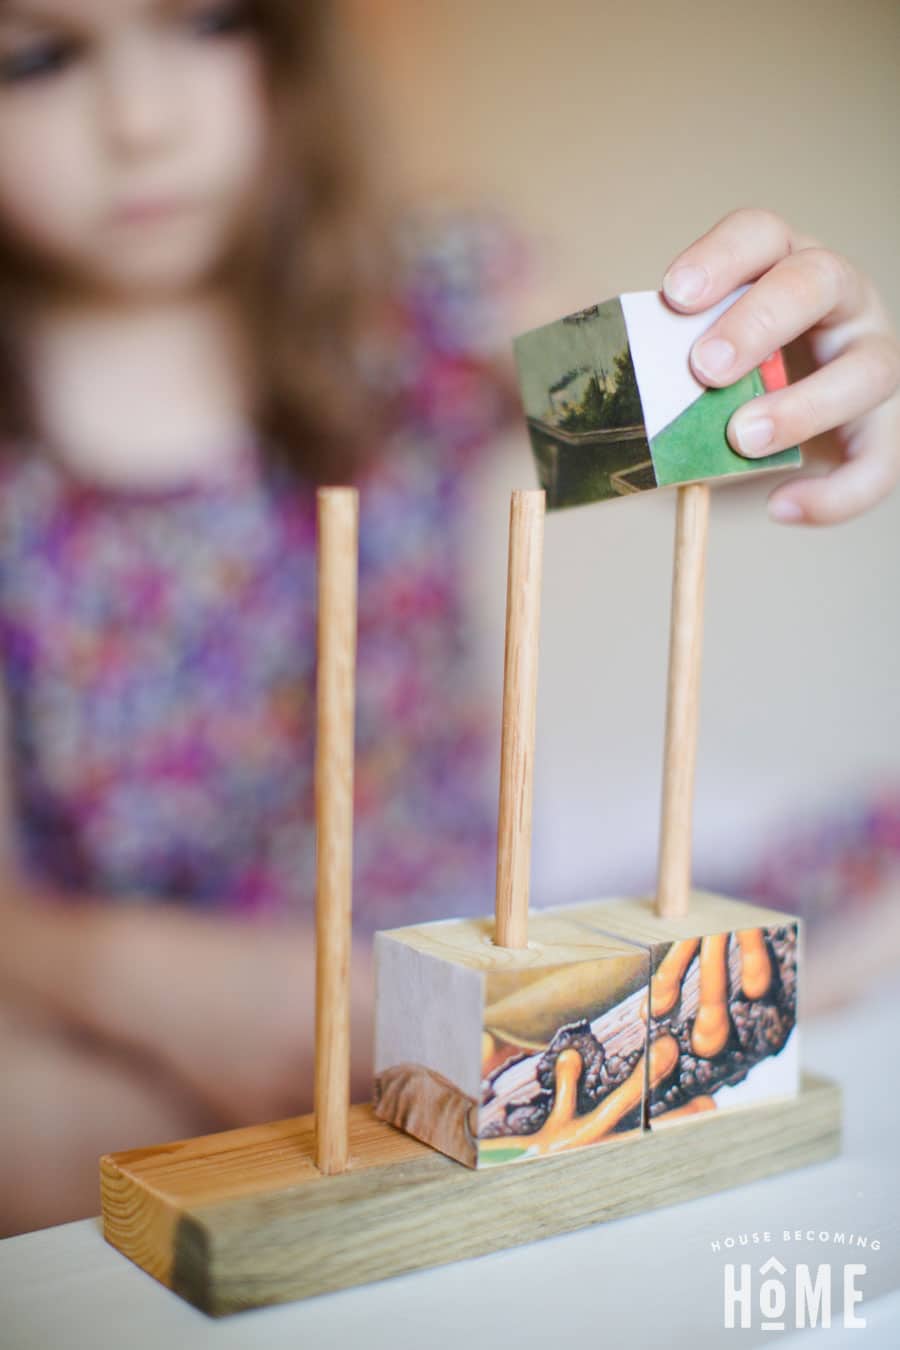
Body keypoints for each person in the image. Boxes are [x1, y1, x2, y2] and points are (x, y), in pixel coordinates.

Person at [0, 0, 896, 1237]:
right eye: (37, 58)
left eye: (207, 23)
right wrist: (201, 995)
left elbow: (665, 428)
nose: (143, 122)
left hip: (460, 931)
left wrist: (793, 386)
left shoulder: (414, 307)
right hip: (140, 991)